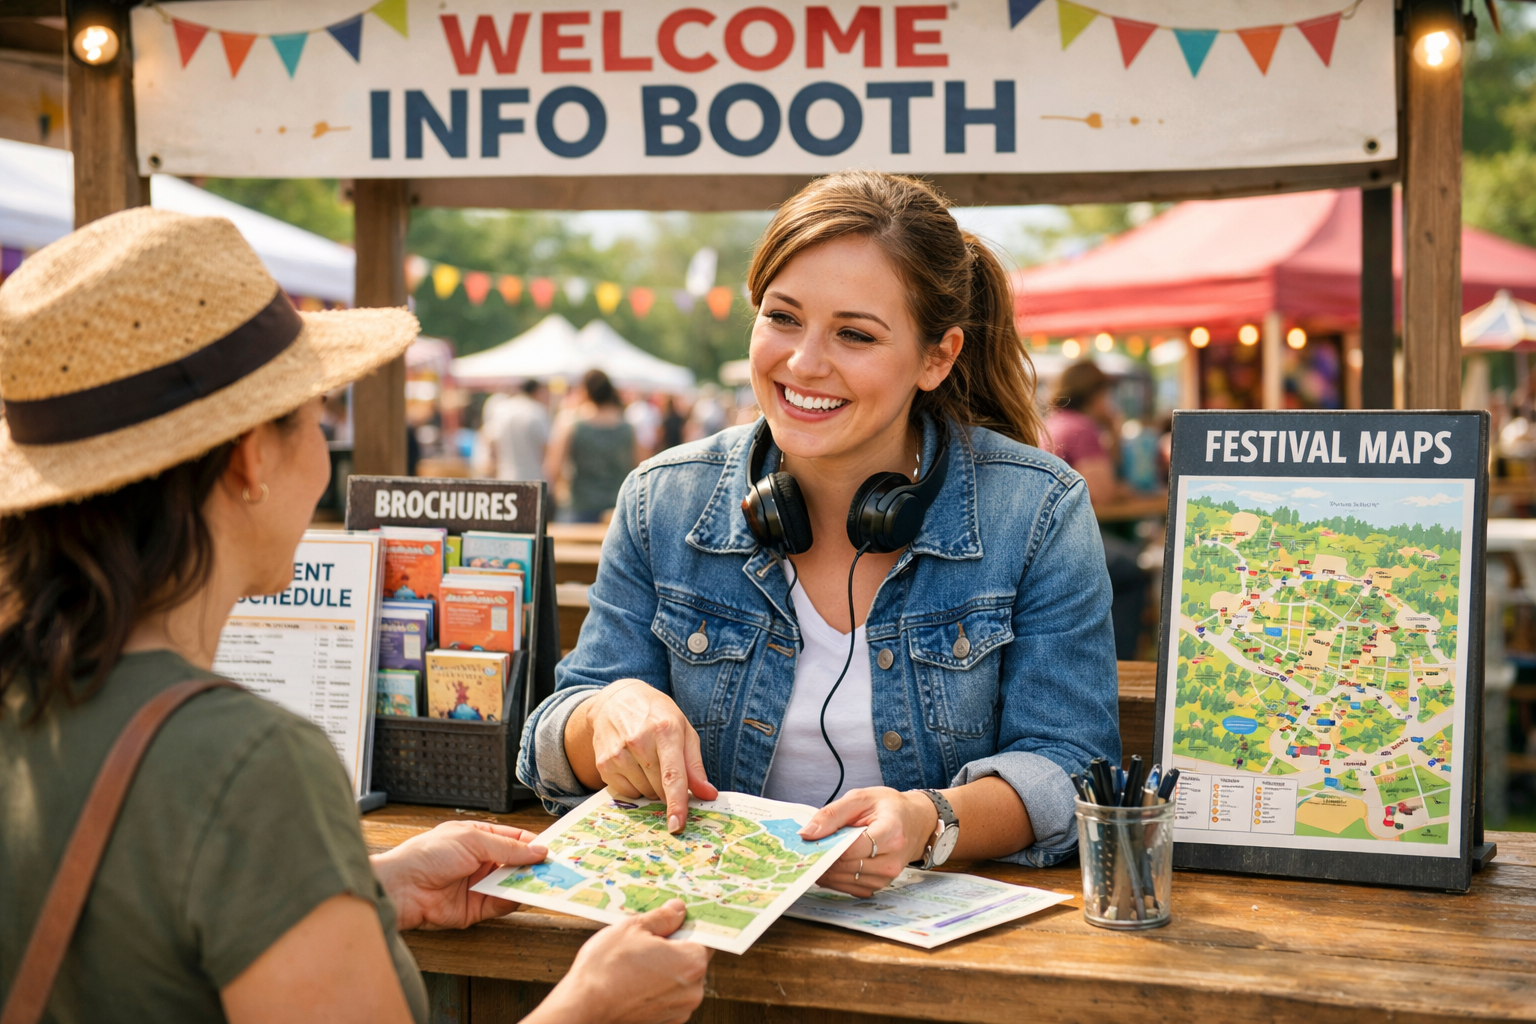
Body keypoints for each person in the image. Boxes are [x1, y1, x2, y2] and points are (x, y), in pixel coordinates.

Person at [0, 208, 710, 1024]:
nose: (324, 455)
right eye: (315, 417)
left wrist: (357, 887)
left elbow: (128, 932)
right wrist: (589, 1009)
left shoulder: (41, 689)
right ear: (248, 461)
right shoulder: (250, 761)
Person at [517, 171, 1119, 891]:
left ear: (938, 357)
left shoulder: (1038, 510)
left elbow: (1068, 766)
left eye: (855, 334)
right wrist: (605, 713)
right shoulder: (663, 498)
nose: (803, 363)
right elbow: (550, 741)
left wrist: (931, 821)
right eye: (782, 318)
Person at [1043, 361, 1152, 660]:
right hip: (1066, 541)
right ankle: (1121, 665)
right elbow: (1102, 494)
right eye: (1108, 394)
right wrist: (1113, 427)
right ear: (1096, 395)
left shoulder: (1054, 422)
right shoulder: (1082, 427)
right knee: (1134, 572)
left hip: (1043, 541)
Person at [545, 369, 639, 524]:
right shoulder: (627, 427)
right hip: (617, 507)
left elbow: (553, 467)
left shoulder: (572, 424)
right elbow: (639, 464)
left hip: (580, 506)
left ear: (585, 391)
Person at [484, 378, 551, 482]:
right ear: (536, 392)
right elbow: (547, 448)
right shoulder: (537, 411)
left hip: (505, 477)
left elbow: (491, 441)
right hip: (533, 479)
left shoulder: (502, 409)